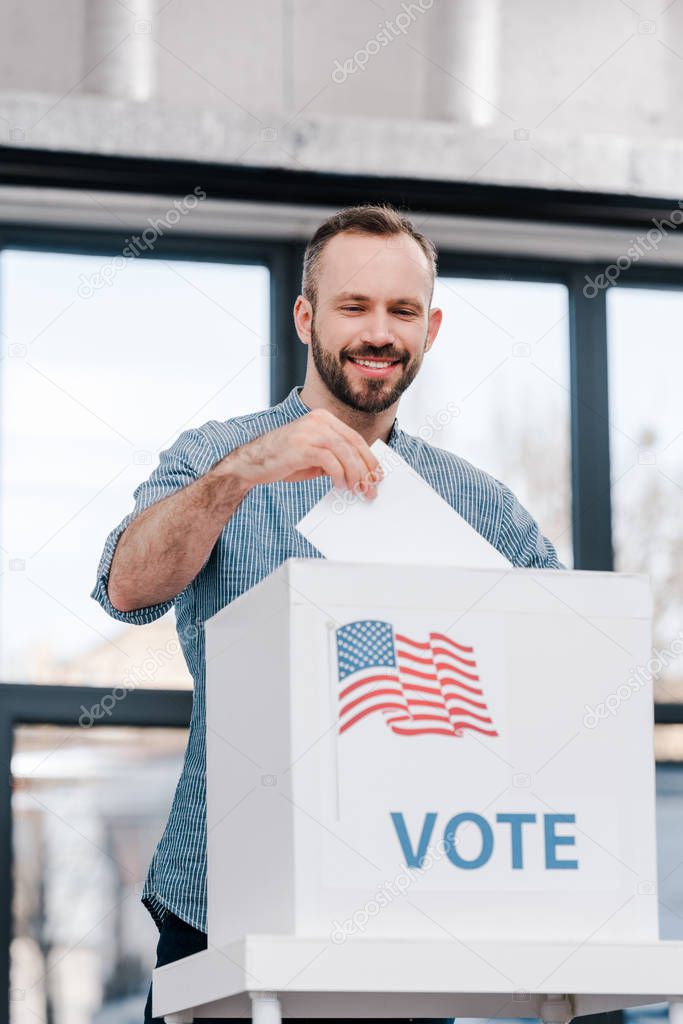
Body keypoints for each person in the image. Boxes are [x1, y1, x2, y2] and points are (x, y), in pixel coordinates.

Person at [91, 203, 563, 1023]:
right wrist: (242, 475)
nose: (377, 331)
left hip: (409, 913)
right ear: (306, 316)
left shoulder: (477, 505)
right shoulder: (217, 455)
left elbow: (563, 666)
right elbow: (128, 586)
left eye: (401, 311)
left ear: (430, 328)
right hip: (220, 900)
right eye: (353, 306)